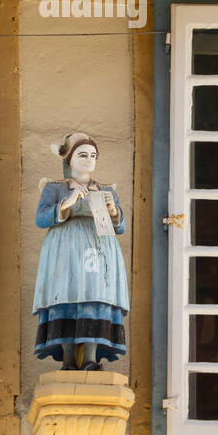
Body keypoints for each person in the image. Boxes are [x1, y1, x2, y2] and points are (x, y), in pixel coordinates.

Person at [33, 132, 129, 370]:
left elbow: (121, 227)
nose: (88, 160)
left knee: (94, 298)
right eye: (82, 155)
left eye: (93, 155)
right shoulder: (55, 189)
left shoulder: (106, 189)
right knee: (65, 295)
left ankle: (90, 358)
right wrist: (66, 203)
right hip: (65, 250)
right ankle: (67, 360)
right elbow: (41, 219)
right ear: (70, 160)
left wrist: (113, 209)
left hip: (99, 251)